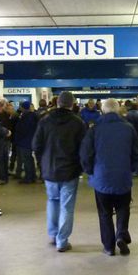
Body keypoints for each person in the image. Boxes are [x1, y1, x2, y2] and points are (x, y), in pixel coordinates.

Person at [80, 98, 138, 256]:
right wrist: (133, 169)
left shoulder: (95, 129)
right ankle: (121, 234)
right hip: (123, 177)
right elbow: (136, 152)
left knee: (105, 213)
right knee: (123, 208)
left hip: (101, 178)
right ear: (119, 110)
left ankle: (108, 246)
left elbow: (86, 153)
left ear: (103, 110)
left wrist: (89, 170)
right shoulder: (129, 128)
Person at [32, 92, 86, 252]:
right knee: (66, 206)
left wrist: (43, 162)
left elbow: (36, 145)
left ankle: (53, 234)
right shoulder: (78, 123)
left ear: (57, 103)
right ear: (72, 104)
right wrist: (81, 166)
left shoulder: (45, 121)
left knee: (52, 201)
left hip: (49, 170)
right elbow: (83, 148)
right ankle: (62, 241)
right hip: (70, 170)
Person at [14, 101, 39, 184]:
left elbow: (22, 129)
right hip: (30, 140)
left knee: (26, 160)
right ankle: (32, 176)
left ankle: (28, 177)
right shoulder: (33, 115)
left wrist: (17, 138)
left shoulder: (26, 116)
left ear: (23, 107)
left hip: (24, 141)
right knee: (30, 159)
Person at [124, 100, 138, 176]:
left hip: (128, 137)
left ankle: (131, 170)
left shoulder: (127, 115)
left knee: (129, 154)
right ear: (137, 107)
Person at [0, 101, 15, 184]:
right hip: (7, 140)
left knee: (1, 159)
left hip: (1, 140)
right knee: (5, 159)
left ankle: (2, 178)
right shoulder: (9, 116)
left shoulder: (0, 116)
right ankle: (4, 177)